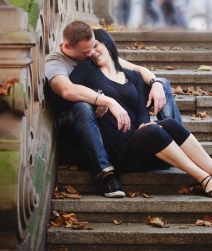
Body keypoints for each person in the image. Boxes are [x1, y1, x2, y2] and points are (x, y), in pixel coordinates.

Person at [68, 28, 212, 199]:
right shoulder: (86, 71)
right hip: (114, 149)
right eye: (89, 50)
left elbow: (141, 111)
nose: (92, 52)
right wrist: (95, 101)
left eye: (96, 45)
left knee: (170, 125)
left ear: (107, 43)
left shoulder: (133, 76)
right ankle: (204, 178)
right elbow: (68, 95)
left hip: (136, 143)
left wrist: (145, 122)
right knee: (153, 131)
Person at [45, 21, 181, 198]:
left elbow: (136, 69)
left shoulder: (90, 52)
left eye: (94, 46)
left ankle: (174, 141)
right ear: (67, 46)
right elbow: (66, 90)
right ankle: (106, 175)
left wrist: (155, 84)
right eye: (85, 51)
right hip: (73, 122)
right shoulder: (55, 62)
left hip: (104, 119)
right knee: (83, 106)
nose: (91, 54)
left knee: (162, 83)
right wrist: (105, 100)